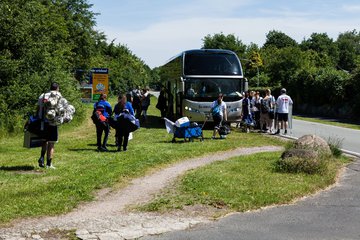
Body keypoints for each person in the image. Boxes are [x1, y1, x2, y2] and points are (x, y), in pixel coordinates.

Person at [37, 82, 61, 169]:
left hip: (43, 122)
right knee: (51, 143)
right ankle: (49, 164)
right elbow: (61, 109)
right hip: (52, 123)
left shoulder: (42, 95)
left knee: (44, 141)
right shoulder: (58, 95)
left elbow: (38, 108)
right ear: (57, 88)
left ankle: (42, 157)